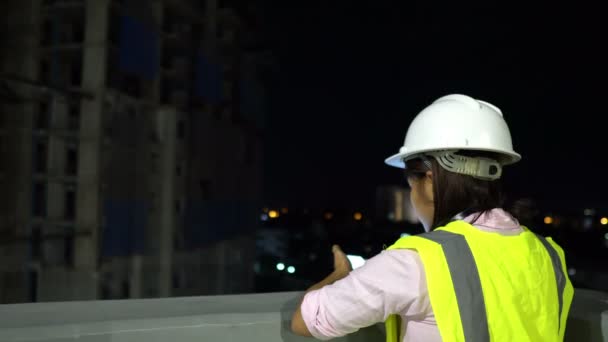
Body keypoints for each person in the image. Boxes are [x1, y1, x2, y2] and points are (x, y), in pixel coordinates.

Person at [291, 94, 574, 341]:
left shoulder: (418, 261)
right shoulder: (549, 255)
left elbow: (306, 321)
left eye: (410, 183)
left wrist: (340, 275)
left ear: (429, 181)